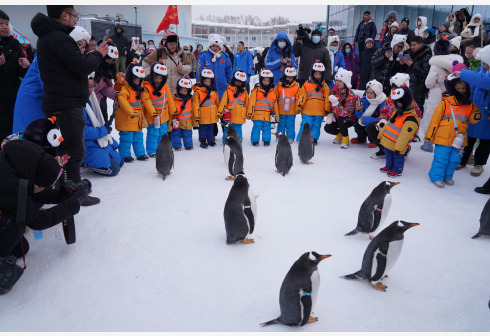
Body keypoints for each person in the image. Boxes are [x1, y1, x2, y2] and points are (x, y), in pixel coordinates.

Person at [31, 5, 108, 189]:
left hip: (63, 102)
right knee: (72, 151)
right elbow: (81, 66)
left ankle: (66, 189)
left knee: (66, 150)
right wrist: (98, 54)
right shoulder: (58, 38)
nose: (76, 20)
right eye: (75, 15)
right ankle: (72, 192)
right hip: (65, 104)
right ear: (64, 15)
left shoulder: (51, 36)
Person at [0, 140, 87, 261]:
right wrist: (74, 203)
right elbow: (38, 221)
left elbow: (32, 193)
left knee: (21, 249)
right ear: (37, 182)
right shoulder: (10, 184)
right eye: (44, 186)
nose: (44, 189)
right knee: (14, 225)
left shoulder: (16, 162)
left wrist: (62, 194)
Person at [424, 76, 481, 187]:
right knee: (441, 158)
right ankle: (436, 176)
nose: (461, 90)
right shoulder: (444, 103)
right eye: (458, 88)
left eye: (463, 88)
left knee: (454, 159)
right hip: (443, 137)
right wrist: (429, 137)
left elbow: (472, 118)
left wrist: (477, 115)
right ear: (453, 88)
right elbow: (434, 121)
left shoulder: (469, 105)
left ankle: (447, 176)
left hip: (460, 139)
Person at [421, 38, 463, 153]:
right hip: (452, 95)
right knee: (448, 120)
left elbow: (428, 83)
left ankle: (428, 145)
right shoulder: (457, 63)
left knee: (432, 118)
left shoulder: (435, 64)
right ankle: (446, 144)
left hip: (437, 95)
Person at [457, 46, 490, 176]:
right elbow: (474, 82)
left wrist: (463, 73)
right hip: (475, 107)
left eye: (486, 64)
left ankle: (479, 164)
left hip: (488, 112)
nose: (485, 66)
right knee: (469, 136)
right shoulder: (482, 68)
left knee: (486, 140)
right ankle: (463, 160)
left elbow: (482, 80)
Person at [83, 74, 123, 176]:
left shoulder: (88, 102)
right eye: (88, 86)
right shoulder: (78, 107)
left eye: (92, 86)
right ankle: (89, 164)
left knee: (120, 162)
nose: (91, 90)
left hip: (96, 140)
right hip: (87, 144)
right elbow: (83, 132)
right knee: (114, 170)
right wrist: (103, 130)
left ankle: (99, 161)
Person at [114, 61, 154, 162]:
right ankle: (125, 155)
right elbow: (122, 101)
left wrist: (153, 112)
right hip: (127, 119)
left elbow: (147, 101)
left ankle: (140, 153)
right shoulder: (125, 89)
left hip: (137, 120)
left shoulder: (140, 90)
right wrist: (131, 113)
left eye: (139, 80)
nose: (137, 82)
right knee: (126, 138)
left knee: (138, 138)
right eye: (135, 80)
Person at [0, 10, 30, 142]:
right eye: (1, 23)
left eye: (7, 23)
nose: (5, 26)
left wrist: (25, 67)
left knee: (13, 134)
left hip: (13, 97)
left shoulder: (13, 44)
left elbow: (21, 73)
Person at [378, 86, 420, 177]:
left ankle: (397, 170)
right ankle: (389, 166)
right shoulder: (396, 112)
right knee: (388, 154)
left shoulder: (410, 118)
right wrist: (381, 135)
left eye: (399, 102)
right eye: (396, 102)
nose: (397, 104)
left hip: (398, 144)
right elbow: (389, 124)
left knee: (397, 157)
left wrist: (399, 147)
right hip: (388, 141)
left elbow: (405, 135)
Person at [142, 61, 176, 157]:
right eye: (156, 78)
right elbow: (146, 100)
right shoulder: (146, 87)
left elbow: (169, 99)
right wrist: (153, 113)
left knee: (163, 133)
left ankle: (162, 149)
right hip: (153, 117)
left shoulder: (165, 87)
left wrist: (173, 110)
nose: (158, 80)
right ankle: (152, 150)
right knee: (153, 133)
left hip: (163, 116)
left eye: (160, 78)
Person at [295, 61, 331, 144]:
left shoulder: (324, 86)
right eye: (316, 74)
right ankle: (302, 138)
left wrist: (327, 109)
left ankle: (314, 139)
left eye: (319, 74)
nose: (317, 76)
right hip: (307, 111)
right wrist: (299, 108)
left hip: (319, 111)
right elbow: (302, 97)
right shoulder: (306, 85)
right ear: (312, 73)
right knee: (305, 125)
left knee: (316, 126)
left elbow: (327, 98)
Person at [324, 68, 356, 148]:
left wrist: (336, 104)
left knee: (341, 120)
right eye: (336, 80)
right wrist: (330, 113)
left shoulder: (350, 94)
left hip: (348, 119)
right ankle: (340, 133)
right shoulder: (335, 92)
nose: (337, 82)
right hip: (336, 117)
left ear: (345, 82)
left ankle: (345, 138)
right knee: (327, 127)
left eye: (340, 81)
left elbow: (347, 112)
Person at [196, 34, 233, 100]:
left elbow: (229, 72)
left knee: (221, 108)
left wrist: (231, 86)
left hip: (222, 88)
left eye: (217, 46)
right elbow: (199, 72)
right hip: (207, 88)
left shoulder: (224, 56)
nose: (215, 48)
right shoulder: (203, 56)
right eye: (213, 46)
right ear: (210, 45)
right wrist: (199, 87)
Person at [217, 69, 249, 143]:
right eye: (237, 81)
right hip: (229, 115)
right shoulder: (228, 91)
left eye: (240, 82)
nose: (238, 83)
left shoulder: (244, 93)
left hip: (239, 115)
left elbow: (248, 103)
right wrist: (220, 112)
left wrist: (249, 113)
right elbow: (223, 103)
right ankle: (226, 141)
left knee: (238, 129)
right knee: (227, 129)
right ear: (233, 80)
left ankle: (238, 141)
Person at [247, 69, 277, 147]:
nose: (266, 82)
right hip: (257, 115)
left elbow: (275, 105)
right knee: (256, 128)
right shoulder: (256, 91)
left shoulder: (272, 93)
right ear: (260, 80)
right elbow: (251, 103)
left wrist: (276, 116)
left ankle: (266, 140)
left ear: (271, 81)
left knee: (266, 128)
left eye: (268, 80)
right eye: (264, 80)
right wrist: (250, 113)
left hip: (267, 115)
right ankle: (255, 140)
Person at [352, 79, 386, 147]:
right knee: (357, 123)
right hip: (364, 120)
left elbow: (383, 119)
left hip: (376, 123)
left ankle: (374, 140)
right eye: (367, 92)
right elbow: (358, 117)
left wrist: (366, 120)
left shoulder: (382, 102)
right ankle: (361, 138)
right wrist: (358, 110)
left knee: (372, 125)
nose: (368, 95)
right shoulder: (364, 100)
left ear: (377, 93)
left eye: (371, 93)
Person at [192, 68, 219, 149]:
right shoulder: (198, 92)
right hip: (203, 115)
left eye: (209, 82)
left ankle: (211, 140)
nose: (208, 83)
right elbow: (195, 105)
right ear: (202, 81)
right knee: (203, 128)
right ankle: (203, 140)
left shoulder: (213, 92)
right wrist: (196, 116)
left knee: (211, 128)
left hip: (212, 115)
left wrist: (220, 112)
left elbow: (217, 103)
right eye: (206, 81)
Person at [94, 39, 118, 123]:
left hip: (100, 102)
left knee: (103, 122)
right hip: (90, 103)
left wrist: (117, 95)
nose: (110, 63)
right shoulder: (93, 70)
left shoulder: (105, 71)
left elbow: (106, 88)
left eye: (112, 62)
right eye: (108, 60)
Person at [406, 36, 432, 114]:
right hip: (409, 85)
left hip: (418, 88)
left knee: (417, 110)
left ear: (421, 45)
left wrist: (412, 65)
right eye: (411, 45)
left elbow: (425, 72)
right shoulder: (410, 53)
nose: (412, 47)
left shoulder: (426, 56)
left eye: (414, 45)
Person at [274, 65, 300, 143]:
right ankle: (279, 137)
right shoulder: (279, 86)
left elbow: (299, 98)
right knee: (281, 125)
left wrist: (298, 109)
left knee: (290, 125)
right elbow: (274, 97)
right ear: (285, 76)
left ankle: (290, 138)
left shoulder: (296, 87)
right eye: (288, 77)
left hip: (291, 111)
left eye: (291, 77)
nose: (289, 79)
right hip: (281, 110)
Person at [170, 76, 196, 150]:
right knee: (176, 133)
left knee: (187, 134)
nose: (183, 92)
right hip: (176, 120)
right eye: (181, 90)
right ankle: (177, 145)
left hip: (187, 121)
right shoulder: (174, 99)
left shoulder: (190, 100)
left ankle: (188, 145)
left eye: (185, 91)